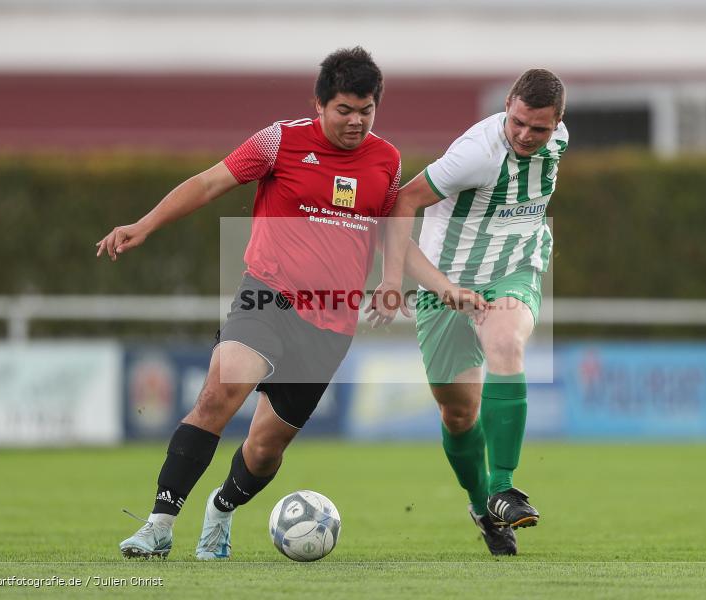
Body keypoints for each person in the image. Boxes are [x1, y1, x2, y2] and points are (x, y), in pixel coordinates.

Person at [97, 47, 477, 560]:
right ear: (320, 104)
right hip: (266, 295)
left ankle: (221, 510)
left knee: (264, 448)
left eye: (366, 111)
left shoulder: (386, 160)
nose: (356, 121)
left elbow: (393, 237)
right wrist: (144, 224)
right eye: (345, 110)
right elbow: (208, 184)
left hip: (331, 321)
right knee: (218, 394)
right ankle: (159, 524)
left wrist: (421, 284)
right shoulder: (280, 141)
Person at [369, 69, 568, 556]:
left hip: (514, 272)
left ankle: (503, 487)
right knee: (458, 414)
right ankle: (483, 508)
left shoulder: (559, 139)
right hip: (445, 284)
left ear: (557, 124)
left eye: (538, 129)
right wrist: (397, 281)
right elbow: (400, 204)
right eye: (518, 122)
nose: (526, 135)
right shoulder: (474, 156)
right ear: (507, 106)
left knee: (506, 342)